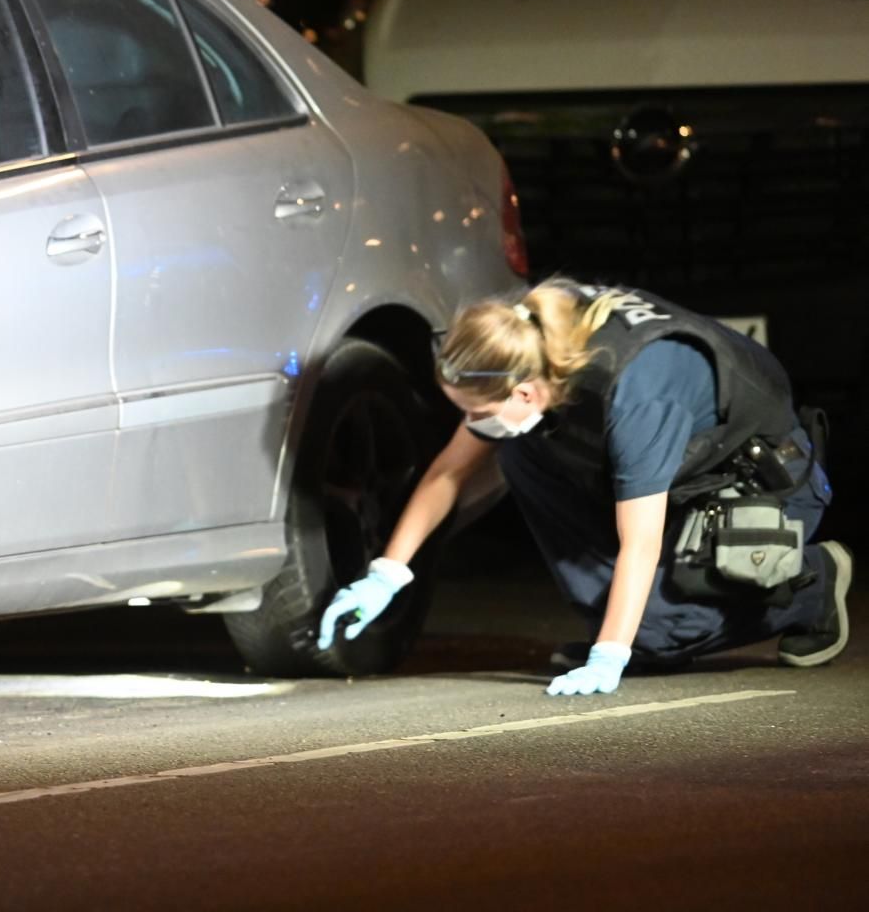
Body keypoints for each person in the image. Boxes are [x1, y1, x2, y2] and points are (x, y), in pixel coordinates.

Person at [315, 278, 851, 695]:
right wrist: (386, 574)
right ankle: (636, 623)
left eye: (477, 412)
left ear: (525, 394)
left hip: (761, 486)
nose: (472, 424)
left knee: (656, 634)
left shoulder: (635, 391)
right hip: (683, 480)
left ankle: (813, 586)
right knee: (519, 449)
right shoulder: (526, 339)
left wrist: (610, 654)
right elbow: (448, 472)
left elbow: (640, 541)